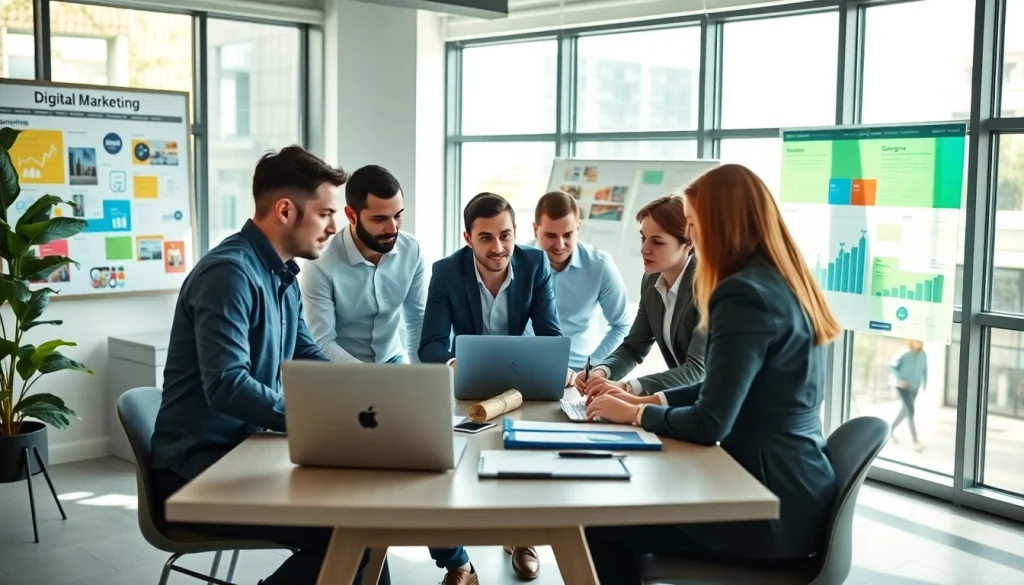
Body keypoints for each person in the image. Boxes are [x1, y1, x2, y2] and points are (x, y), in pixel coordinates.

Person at [582, 163, 841, 584]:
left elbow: (709, 422)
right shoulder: (781, 280)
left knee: (598, 522)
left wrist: (635, 415)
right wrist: (645, 401)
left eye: (693, 224)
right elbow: (728, 388)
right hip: (796, 491)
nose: (693, 235)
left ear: (719, 225)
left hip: (769, 511)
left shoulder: (740, 294)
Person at [150, 146, 389, 585]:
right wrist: (321, 421)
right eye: (326, 214)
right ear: (285, 210)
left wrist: (373, 394)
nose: (335, 228)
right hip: (197, 472)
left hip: (244, 455)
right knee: (354, 534)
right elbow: (227, 384)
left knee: (369, 524)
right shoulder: (229, 274)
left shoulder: (282, 276)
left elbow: (307, 356)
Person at [418, 192, 563, 581]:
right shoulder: (447, 272)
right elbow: (430, 345)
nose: (498, 248)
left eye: (506, 235)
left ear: (517, 233)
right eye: (486, 238)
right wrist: (454, 363)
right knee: (436, 471)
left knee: (531, 456)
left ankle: (523, 536)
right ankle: (457, 562)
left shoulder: (534, 263)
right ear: (468, 237)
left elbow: (550, 334)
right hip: (464, 388)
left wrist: (554, 367)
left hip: (520, 387)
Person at [575, 194, 706, 398]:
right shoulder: (651, 280)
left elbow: (698, 371)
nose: (644, 249)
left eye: (657, 242)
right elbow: (634, 348)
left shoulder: (707, 287)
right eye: (643, 238)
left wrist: (627, 388)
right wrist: (601, 372)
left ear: (688, 243)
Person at [300, 164, 427, 364]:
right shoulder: (320, 264)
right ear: (351, 215)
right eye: (379, 219)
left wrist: (421, 379)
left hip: (393, 359)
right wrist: (369, 379)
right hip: (342, 370)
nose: (392, 228)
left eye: (397, 215)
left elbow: (417, 322)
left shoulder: (412, 250)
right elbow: (322, 342)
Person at [527, 190, 630, 371]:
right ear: (536, 230)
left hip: (579, 372)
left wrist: (592, 366)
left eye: (568, 235)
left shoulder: (600, 266)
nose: (560, 245)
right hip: (526, 365)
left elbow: (621, 325)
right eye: (550, 235)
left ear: (578, 228)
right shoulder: (516, 262)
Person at [890, 339, 927, 451]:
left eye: (920, 341)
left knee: (904, 412)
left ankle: (888, 431)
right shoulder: (904, 353)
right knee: (910, 411)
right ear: (911, 341)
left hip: (915, 387)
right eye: (916, 340)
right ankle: (915, 441)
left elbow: (925, 370)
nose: (918, 343)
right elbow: (892, 367)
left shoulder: (923, 354)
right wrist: (900, 379)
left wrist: (925, 383)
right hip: (903, 387)